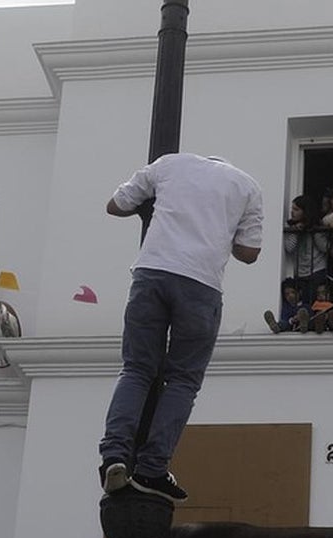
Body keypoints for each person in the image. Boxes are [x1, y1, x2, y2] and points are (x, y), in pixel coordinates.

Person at [99, 153, 263, 502]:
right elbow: (249, 252)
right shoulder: (247, 186)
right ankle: (153, 467)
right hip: (201, 286)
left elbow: (115, 206)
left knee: (136, 370)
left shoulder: (168, 165)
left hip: (151, 273)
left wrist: (152, 206)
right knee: (183, 381)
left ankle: (114, 456)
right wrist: (223, 230)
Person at [284, 194, 329, 305]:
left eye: (296, 209)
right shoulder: (292, 228)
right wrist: (296, 232)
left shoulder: (317, 227)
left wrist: (313, 230)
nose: (292, 212)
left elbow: (325, 247)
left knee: (316, 304)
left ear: (305, 211)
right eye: (292, 209)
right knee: (304, 305)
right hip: (300, 274)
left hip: (317, 271)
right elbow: (289, 248)